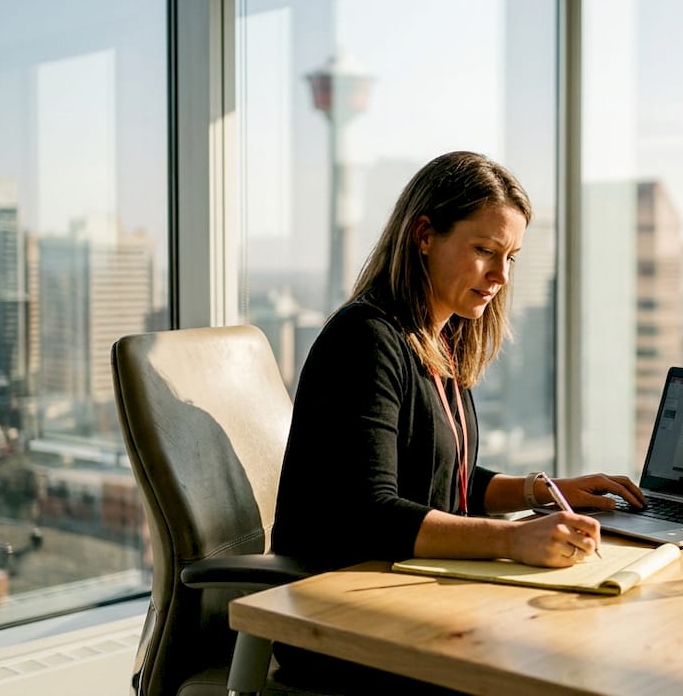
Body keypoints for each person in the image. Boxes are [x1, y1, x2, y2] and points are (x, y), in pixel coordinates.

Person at [271, 150, 646, 576]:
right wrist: (513, 539)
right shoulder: (364, 340)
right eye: (485, 250)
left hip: (410, 577)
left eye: (512, 256)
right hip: (341, 596)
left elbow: (443, 478)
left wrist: (544, 491)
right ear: (425, 235)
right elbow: (369, 513)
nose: (501, 276)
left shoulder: (441, 337)